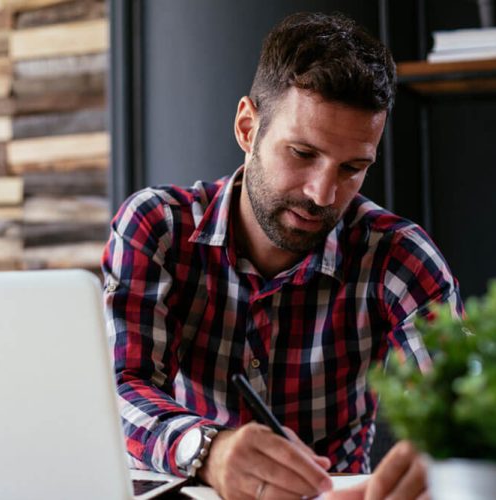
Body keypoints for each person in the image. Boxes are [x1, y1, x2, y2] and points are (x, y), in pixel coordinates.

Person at [102, 11, 462, 500]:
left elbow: (458, 402)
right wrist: (211, 451)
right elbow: (119, 389)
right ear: (248, 128)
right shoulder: (156, 227)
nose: (322, 193)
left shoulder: (398, 257)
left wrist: (448, 446)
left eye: (353, 168)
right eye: (302, 153)